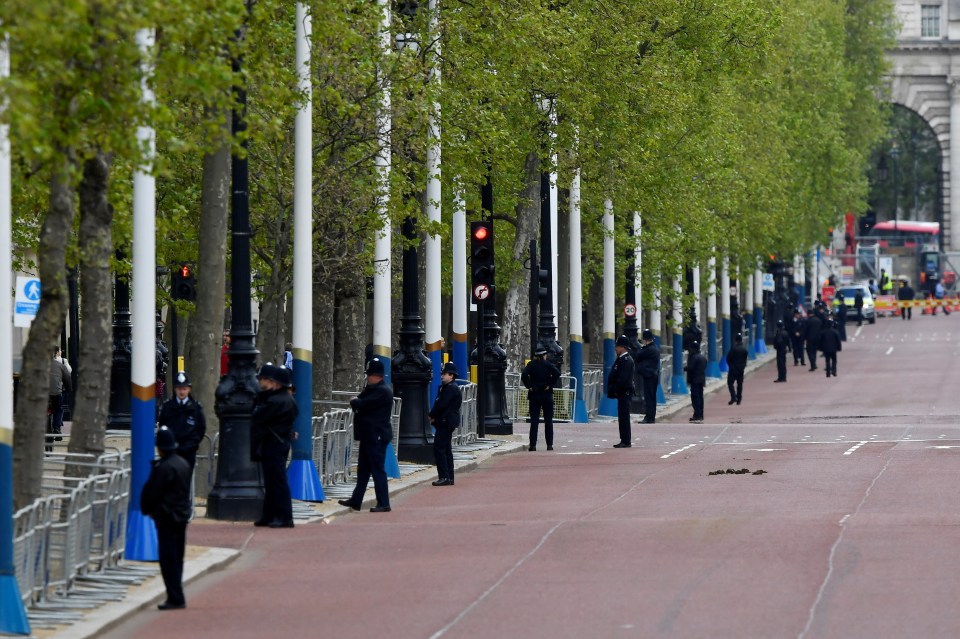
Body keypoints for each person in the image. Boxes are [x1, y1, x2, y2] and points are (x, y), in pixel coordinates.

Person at [140, 426, 192, 610]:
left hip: (167, 517)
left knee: (168, 558)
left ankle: (175, 596)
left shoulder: (164, 467)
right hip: (181, 516)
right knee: (177, 557)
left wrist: (147, 509)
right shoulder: (183, 463)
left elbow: (151, 492)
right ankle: (177, 594)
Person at [339, 357, 394, 513]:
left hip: (376, 436)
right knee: (363, 470)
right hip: (368, 435)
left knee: (377, 469)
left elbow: (361, 403)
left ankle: (383, 502)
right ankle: (356, 500)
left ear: (377, 375)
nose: (367, 377)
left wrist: (356, 403)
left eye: (369, 374)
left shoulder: (382, 391)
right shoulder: (373, 389)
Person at [251, 364, 298, 528]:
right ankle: (269, 514)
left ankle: (284, 516)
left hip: (274, 443)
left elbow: (258, 417)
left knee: (277, 481)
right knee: (272, 481)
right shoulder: (283, 399)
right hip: (277, 442)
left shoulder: (277, 401)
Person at [156, 371, 206, 472]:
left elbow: (201, 429)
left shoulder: (195, 408)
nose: (182, 392)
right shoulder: (167, 407)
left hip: (188, 452)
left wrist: (192, 444)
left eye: (184, 389)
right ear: (175, 389)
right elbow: (162, 426)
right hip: (171, 452)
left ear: (189, 389)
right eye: (179, 389)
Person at [521, 347, 561, 451]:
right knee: (548, 421)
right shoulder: (548, 364)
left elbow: (524, 374)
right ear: (544, 355)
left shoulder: (531, 365)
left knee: (534, 421)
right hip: (546, 394)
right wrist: (550, 384)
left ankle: (533, 445)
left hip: (534, 394)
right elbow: (557, 373)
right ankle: (549, 445)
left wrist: (529, 385)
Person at [429, 362, 462, 485]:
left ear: (451, 376)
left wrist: (432, 415)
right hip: (447, 421)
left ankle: (444, 476)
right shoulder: (448, 387)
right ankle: (449, 476)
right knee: (447, 449)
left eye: (445, 374)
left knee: (439, 448)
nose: (442, 376)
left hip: (445, 421)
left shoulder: (450, 389)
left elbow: (441, 405)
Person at [607, 335, 635, 448]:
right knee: (622, 417)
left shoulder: (627, 360)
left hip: (624, 392)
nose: (615, 348)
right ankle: (623, 439)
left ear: (622, 347)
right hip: (621, 393)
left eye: (617, 346)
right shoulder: (621, 359)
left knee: (624, 417)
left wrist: (615, 389)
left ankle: (626, 440)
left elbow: (623, 379)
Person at [635, 329, 660, 424]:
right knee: (652, 397)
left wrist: (641, 348)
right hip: (652, 375)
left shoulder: (649, 349)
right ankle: (651, 416)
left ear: (645, 340)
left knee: (649, 397)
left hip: (649, 375)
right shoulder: (654, 348)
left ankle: (649, 417)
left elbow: (638, 355)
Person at [49, 348, 72, 444]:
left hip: (41, 392)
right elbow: (67, 378)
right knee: (58, 409)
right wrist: (69, 389)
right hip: (56, 392)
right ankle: (57, 428)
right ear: (56, 354)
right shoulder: (60, 365)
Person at [684, 341, 707, 423]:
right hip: (701, 380)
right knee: (700, 397)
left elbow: (691, 367)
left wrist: (684, 368)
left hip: (695, 380)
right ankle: (700, 414)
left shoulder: (693, 357)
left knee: (695, 398)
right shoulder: (703, 358)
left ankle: (697, 415)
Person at [725, 333, 747, 405]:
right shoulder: (744, 349)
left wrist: (731, 366)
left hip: (733, 369)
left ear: (736, 340)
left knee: (730, 383)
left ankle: (733, 396)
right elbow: (745, 359)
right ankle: (739, 398)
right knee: (739, 384)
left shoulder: (733, 349)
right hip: (741, 369)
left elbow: (728, 359)